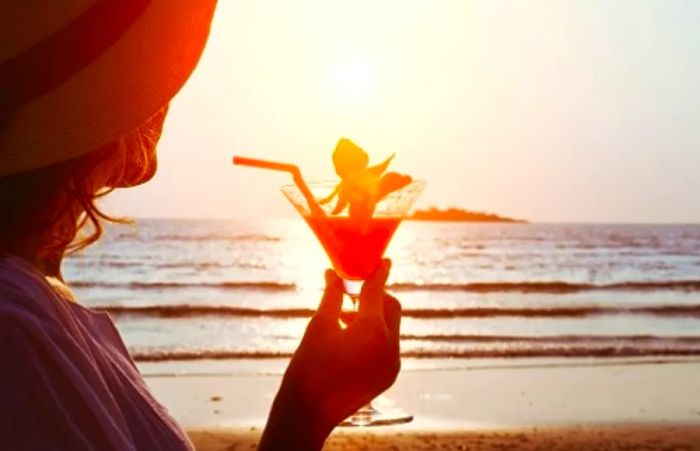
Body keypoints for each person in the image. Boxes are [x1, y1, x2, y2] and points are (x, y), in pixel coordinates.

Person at [0, 2, 402, 450]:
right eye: (156, 72)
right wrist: (304, 412)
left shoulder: (35, 314)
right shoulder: (16, 338)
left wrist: (310, 405)